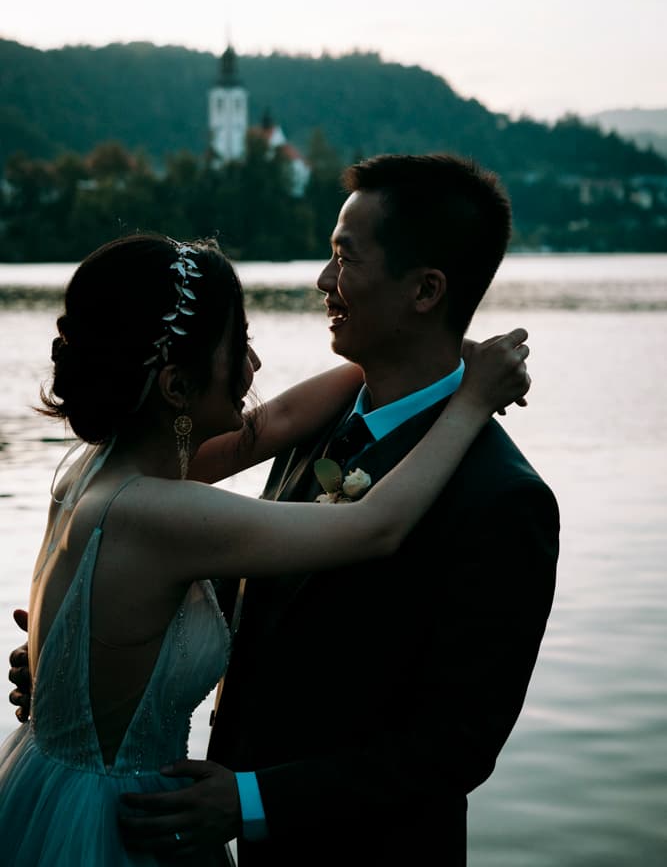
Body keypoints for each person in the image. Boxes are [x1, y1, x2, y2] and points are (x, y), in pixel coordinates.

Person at [2, 229, 530, 866]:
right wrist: (472, 401)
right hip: (124, 824)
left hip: (53, 787)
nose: (252, 366)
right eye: (238, 347)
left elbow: (275, 423)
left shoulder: (93, 471)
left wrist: (442, 354)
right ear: (176, 387)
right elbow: (376, 525)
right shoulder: (159, 512)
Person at [114, 154, 560, 867]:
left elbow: (457, 745)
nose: (323, 281)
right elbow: (263, 598)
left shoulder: (502, 498)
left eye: (344, 259)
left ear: (425, 290)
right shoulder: (318, 422)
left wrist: (252, 800)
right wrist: (104, 643)